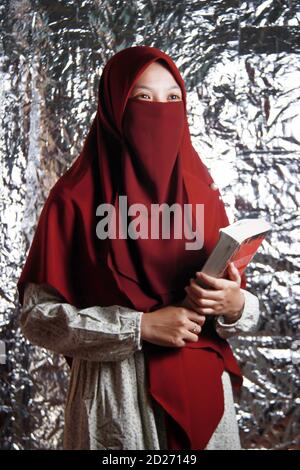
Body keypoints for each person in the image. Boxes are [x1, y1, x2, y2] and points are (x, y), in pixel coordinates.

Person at [17, 45, 260, 450]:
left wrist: (234, 305)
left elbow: (231, 302)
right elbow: (37, 318)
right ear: (115, 107)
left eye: (172, 98)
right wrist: (139, 327)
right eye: (143, 98)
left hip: (204, 394)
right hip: (116, 402)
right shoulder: (74, 199)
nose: (159, 109)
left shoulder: (203, 194)